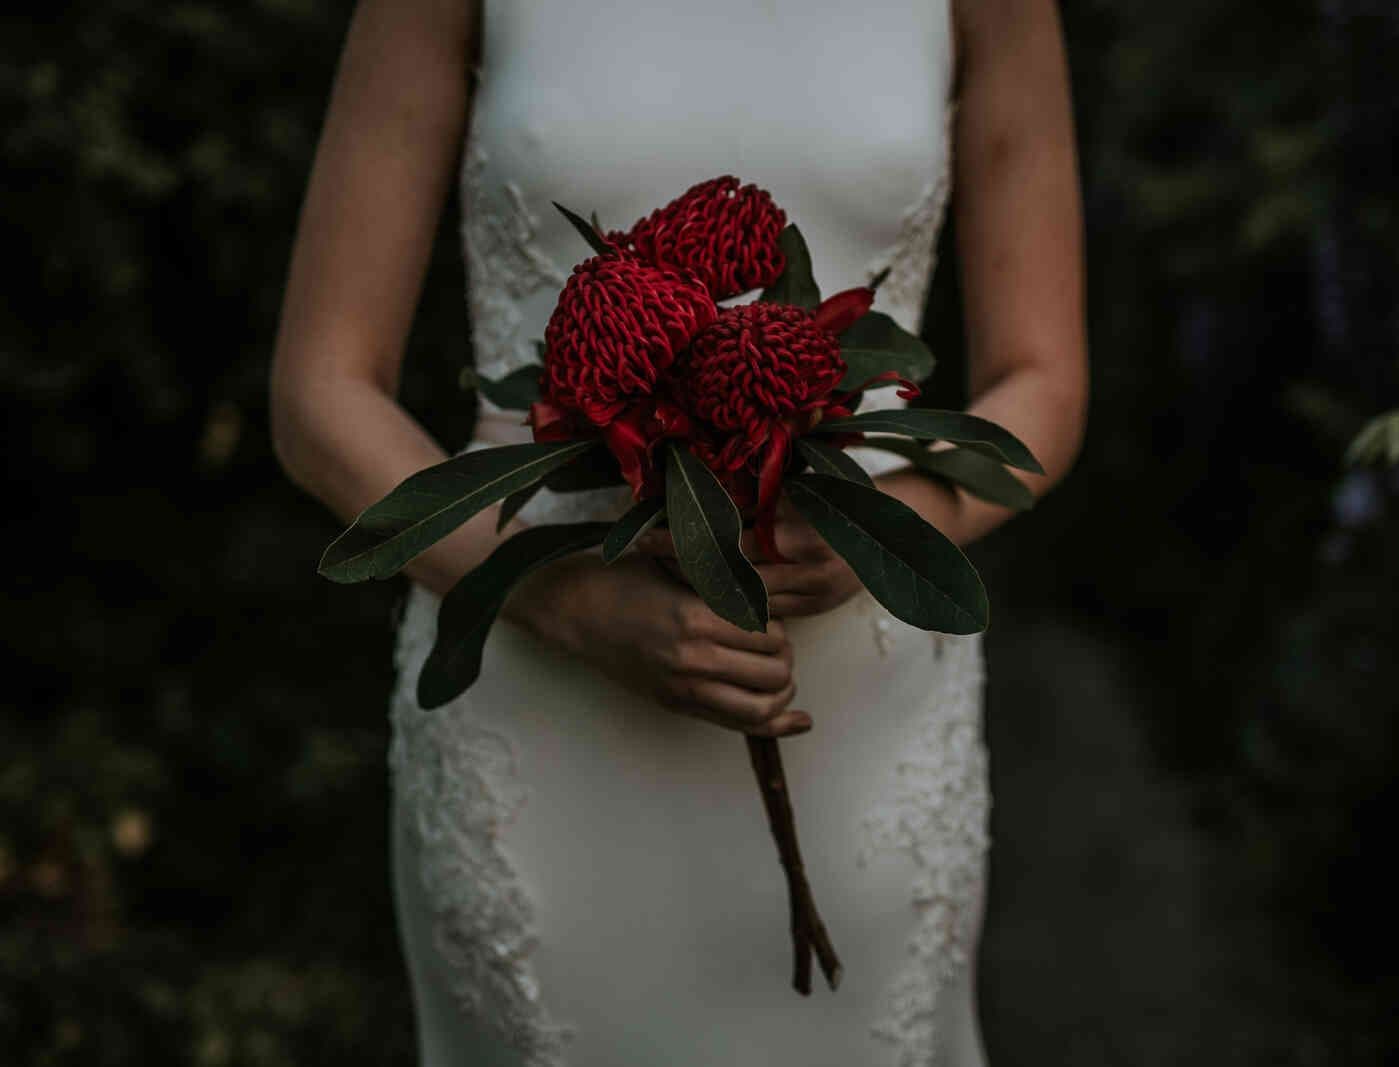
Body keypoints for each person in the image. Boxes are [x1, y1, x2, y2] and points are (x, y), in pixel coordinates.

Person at [270, 0, 1086, 1063]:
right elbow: (318, 392)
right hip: (540, 710)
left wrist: (893, 531)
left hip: (858, 723)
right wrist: (558, 601)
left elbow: (1046, 381)